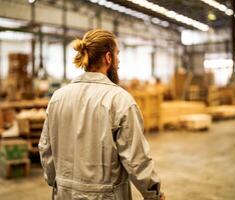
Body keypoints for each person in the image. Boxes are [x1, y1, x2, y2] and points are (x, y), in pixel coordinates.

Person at [39, 29, 165, 200]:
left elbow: (46, 148)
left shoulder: (58, 98)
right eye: (117, 54)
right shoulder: (119, 100)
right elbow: (136, 159)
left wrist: (57, 182)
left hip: (64, 194)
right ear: (108, 58)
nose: (118, 61)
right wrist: (153, 194)